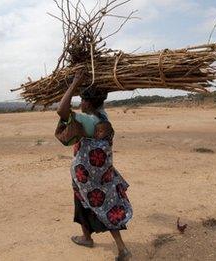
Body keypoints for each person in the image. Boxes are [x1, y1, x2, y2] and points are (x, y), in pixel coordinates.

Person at [57, 70, 133, 261]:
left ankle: (88, 238)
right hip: (103, 176)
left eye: (82, 100)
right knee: (107, 205)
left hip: (86, 178)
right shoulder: (103, 116)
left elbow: (61, 111)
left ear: (89, 103)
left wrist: (74, 84)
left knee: (84, 203)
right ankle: (113, 245)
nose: (80, 103)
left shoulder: (87, 121)